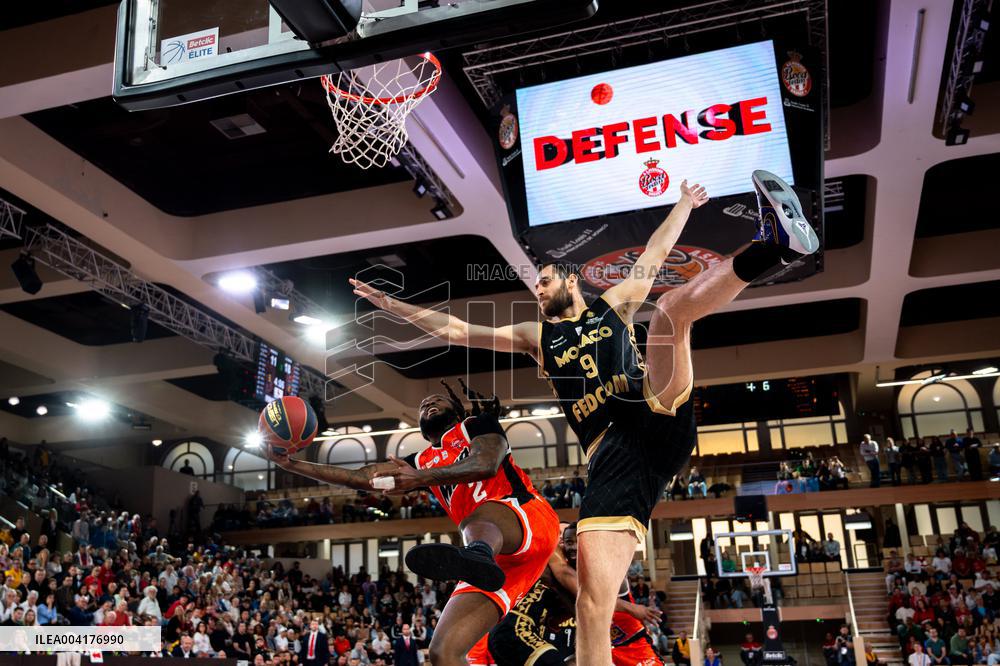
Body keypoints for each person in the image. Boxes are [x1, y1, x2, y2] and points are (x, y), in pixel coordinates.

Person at [352, 171, 820, 666]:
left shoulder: (611, 306)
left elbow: (654, 255)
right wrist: (395, 307)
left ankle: (776, 248)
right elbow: (460, 329)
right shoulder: (537, 337)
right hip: (610, 455)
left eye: (544, 280)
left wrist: (683, 203)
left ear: (570, 280)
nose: (538, 289)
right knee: (592, 603)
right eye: (534, 285)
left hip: (650, 411)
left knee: (667, 312)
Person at [266, 387, 559, 666]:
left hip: (528, 519)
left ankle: (477, 554)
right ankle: (477, 556)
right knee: (443, 651)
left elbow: (486, 463)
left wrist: (421, 479)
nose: (428, 404)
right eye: (422, 406)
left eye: (438, 401)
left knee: (475, 520)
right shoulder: (418, 461)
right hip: (499, 562)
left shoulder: (475, 426)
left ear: (456, 410)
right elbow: (360, 477)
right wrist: (292, 465)